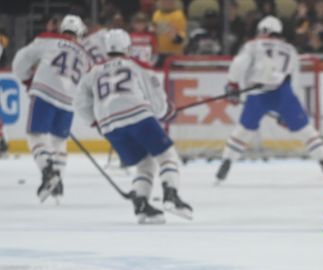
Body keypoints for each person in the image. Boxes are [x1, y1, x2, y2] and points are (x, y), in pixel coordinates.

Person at [75, 29, 192, 224]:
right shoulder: (136, 66)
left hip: (109, 125)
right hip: (138, 115)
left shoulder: (93, 72)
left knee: (144, 163)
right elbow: (158, 102)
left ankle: (141, 205)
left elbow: (79, 102)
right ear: (127, 48)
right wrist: (165, 111)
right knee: (166, 155)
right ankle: (171, 196)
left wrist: (95, 121)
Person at [215, 16, 323, 182]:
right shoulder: (290, 49)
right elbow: (294, 80)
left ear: (263, 30)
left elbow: (239, 63)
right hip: (283, 92)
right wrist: (286, 111)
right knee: (306, 131)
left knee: (243, 131)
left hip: (257, 92)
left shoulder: (253, 45)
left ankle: (226, 162)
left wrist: (232, 84)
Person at [12, 14, 91, 202]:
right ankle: (58, 185)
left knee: (35, 135)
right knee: (59, 141)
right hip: (68, 100)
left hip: (45, 92)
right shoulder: (86, 56)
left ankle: (48, 171)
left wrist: (27, 79)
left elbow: (20, 61)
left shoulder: (47, 40)